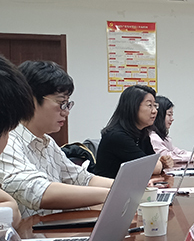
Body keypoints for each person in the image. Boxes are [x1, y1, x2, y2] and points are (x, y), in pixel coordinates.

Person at [0, 60, 114, 218]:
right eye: (61, 103)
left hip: (53, 227)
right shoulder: (8, 141)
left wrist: (126, 188)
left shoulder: (46, 142)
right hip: (34, 232)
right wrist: (111, 194)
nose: (66, 112)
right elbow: (38, 192)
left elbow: (81, 179)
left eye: (67, 104)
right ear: (30, 100)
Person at [95, 85, 173, 179]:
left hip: (132, 185)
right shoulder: (117, 136)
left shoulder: (142, 133)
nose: (155, 111)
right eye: (149, 105)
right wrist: (161, 164)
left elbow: (152, 161)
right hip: (109, 187)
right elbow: (151, 167)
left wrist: (162, 162)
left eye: (155, 106)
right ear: (133, 107)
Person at [0, 56, 35, 226]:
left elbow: (13, 209)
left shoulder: (48, 142)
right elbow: (34, 190)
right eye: (6, 131)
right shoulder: (15, 143)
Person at [149, 95, 194, 162]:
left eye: (172, 115)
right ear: (159, 115)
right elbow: (167, 157)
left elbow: (178, 152)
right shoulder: (153, 137)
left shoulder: (163, 137)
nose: (172, 119)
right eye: (169, 114)